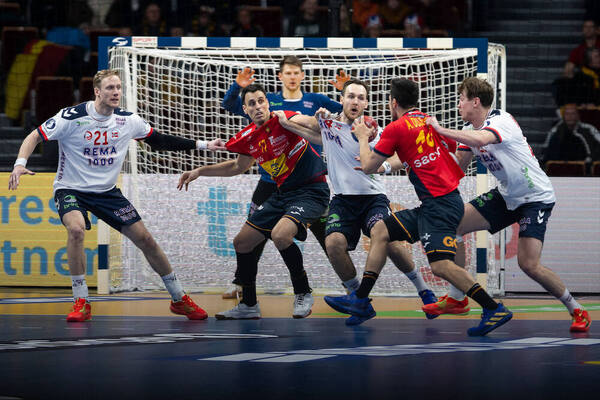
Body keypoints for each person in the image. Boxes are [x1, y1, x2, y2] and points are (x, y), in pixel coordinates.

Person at [8, 69, 216, 322]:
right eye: (109, 88)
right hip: (71, 188)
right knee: (76, 230)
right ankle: (81, 301)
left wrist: (202, 145)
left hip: (107, 193)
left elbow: (159, 141)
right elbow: (35, 136)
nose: (116, 92)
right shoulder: (71, 117)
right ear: (97, 92)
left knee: (146, 240)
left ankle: (179, 298)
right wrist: (20, 163)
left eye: (118, 87)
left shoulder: (128, 121)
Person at [324, 78, 513, 336]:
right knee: (380, 231)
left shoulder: (396, 128)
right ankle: (360, 299)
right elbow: (437, 150)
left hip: (440, 206)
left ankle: (493, 307)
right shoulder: (426, 120)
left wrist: (361, 138)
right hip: (437, 203)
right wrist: (394, 165)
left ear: (393, 103)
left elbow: (366, 166)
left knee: (440, 266)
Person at [423, 76, 591, 333]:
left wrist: (439, 129)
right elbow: (456, 168)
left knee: (529, 264)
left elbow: (480, 140)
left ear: (475, 102)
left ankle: (576, 308)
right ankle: (457, 298)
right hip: (507, 196)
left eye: (461, 99)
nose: (458, 105)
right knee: (453, 223)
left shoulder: (502, 121)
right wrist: (422, 161)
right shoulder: (468, 131)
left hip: (535, 198)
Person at [274, 78, 439, 325]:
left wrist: (383, 166)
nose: (355, 101)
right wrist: (291, 121)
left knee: (388, 241)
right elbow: (308, 128)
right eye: (351, 96)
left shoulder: (374, 130)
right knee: (333, 244)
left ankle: (424, 290)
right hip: (343, 200)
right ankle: (357, 299)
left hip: (373, 198)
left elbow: (399, 156)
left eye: (361, 98)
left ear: (366, 103)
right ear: (341, 100)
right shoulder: (329, 124)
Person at [178, 83, 330, 320]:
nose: (258, 106)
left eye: (261, 101)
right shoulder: (248, 138)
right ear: (246, 110)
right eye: (252, 103)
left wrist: (321, 117)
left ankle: (303, 292)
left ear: (268, 103)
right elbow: (237, 167)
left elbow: (313, 124)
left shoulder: (285, 117)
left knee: (281, 235)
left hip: (312, 190)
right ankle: (249, 305)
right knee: (242, 243)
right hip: (282, 194)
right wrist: (200, 171)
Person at [220, 55, 347, 299]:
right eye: (287, 73)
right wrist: (238, 86)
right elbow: (231, 105)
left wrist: (345, 91)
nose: (291, 77)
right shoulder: (267, 101)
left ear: (302, 75)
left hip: (307, 181)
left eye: (295, 73)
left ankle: (347, 284)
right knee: (253, 233)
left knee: (325, 236)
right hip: (270, 182)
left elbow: (344, 116)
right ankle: (241, 284)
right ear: (280, 76)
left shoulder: (314, 100)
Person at [543, 103, 600, 173]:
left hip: (586, 171)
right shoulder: (555, 131)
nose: (570, 116)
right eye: (567, 114)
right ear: (563, 116)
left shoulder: (589, 129)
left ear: (578, 115)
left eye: (573, 113)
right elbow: (546, 151)